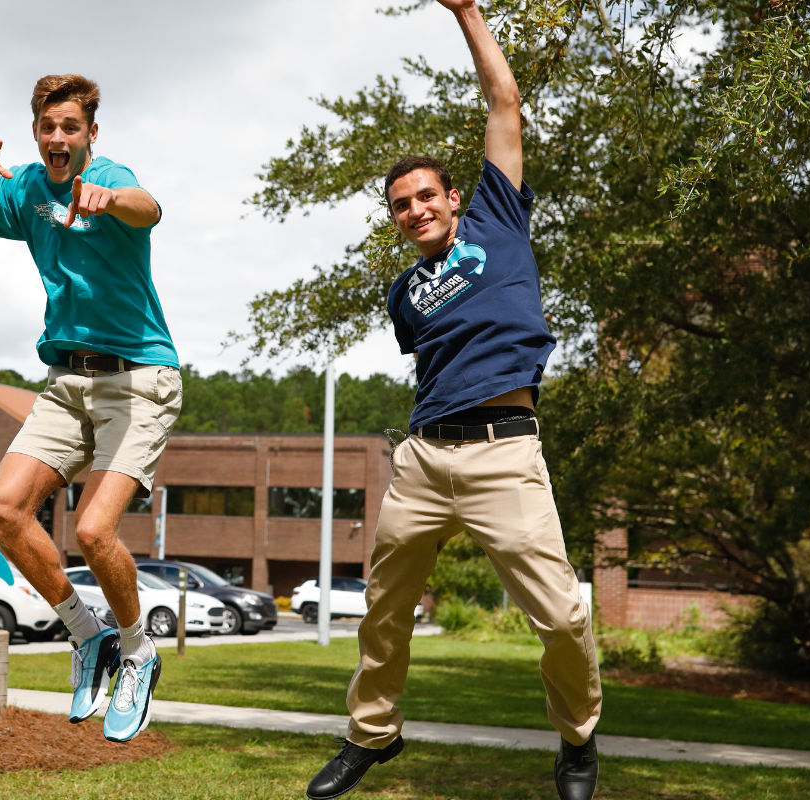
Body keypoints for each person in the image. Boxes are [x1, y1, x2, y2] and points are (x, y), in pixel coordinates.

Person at [304, 3, 602, 799]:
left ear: (451, 195)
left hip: (506, 452)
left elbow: (503, 101)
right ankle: (372, 734)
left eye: (426, 195)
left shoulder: (497, 219)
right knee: (381, 608)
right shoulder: (404, 293)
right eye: (401, 205)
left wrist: (466, 11)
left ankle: (577, 740)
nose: (417, 209)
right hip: (425, 458)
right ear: (396, 219)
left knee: (564, 616)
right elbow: (439, 362)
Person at [0, 74, 179, 743]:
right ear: (36, 132)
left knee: (93, 531)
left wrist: (109, 198)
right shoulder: (26, 187)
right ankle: (88, 637)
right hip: (66, 382)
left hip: (139, 379)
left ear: (90, 133)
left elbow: (150, 209)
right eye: (48, 127)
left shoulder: (111, 175)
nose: (59, 138)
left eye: (71, 127)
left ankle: (138, 653)